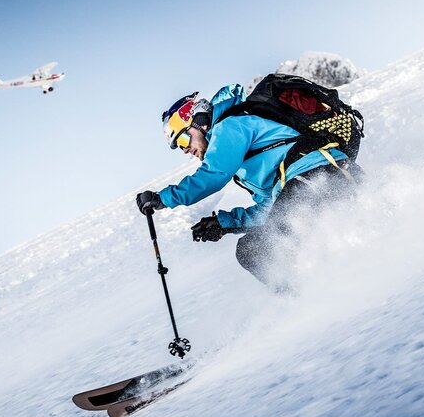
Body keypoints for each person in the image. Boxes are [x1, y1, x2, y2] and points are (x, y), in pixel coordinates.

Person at [136, 84, 362, 290]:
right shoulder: (247, 160)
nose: (185, 150)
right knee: (251, 250)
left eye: (184, 141)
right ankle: (309, 298)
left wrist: (162, 199)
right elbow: (272, 207)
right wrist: (225, 223)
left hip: (320, 173)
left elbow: (213, 176)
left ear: (199, 123)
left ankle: (310, 297)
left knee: (266, 245)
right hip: (317, 181)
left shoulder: (230, 125)